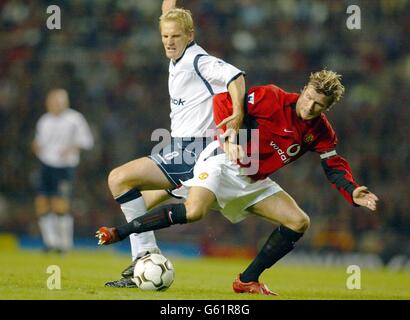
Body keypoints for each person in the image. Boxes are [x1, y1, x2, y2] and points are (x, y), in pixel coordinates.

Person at [96, 70, 379, 295]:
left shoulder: (321, 131)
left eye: (319, 105)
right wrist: (230, 136)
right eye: (309, 98)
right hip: (221, 161)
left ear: (328, 107)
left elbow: (333, 167)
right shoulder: (272, 97)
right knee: (195, 212)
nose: (310, 106)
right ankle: (120, 232)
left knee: (298, 221)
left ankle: (247, 281)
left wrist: (352, 190)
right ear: (304, 89)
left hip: (253, 180)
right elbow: (222, 101)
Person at [103, 0, 246, 287]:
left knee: (119, 178)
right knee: (138, 203)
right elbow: (169, 17)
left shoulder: (197, 60)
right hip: (182, 148)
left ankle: (145, 254)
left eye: (175, 36)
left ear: (190, 35)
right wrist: (168, 11)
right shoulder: (178, 51)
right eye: (165, 36)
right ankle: (143, 260)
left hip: (193, 150)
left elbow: (235, 75)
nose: (168, 42)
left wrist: (238, 111)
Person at [33, 88, 94, 253]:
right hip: (46, 164)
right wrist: (36, 147)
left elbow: (87, 141)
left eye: (59, 100)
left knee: (61, 204)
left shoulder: (75, 119)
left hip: (65, 166)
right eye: (53, 100)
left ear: (65, 102)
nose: (56, 103)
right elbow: (38, 142)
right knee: (42, 202)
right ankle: (50, 242)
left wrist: (72, 147)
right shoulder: (44, 120)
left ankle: (65, 243)